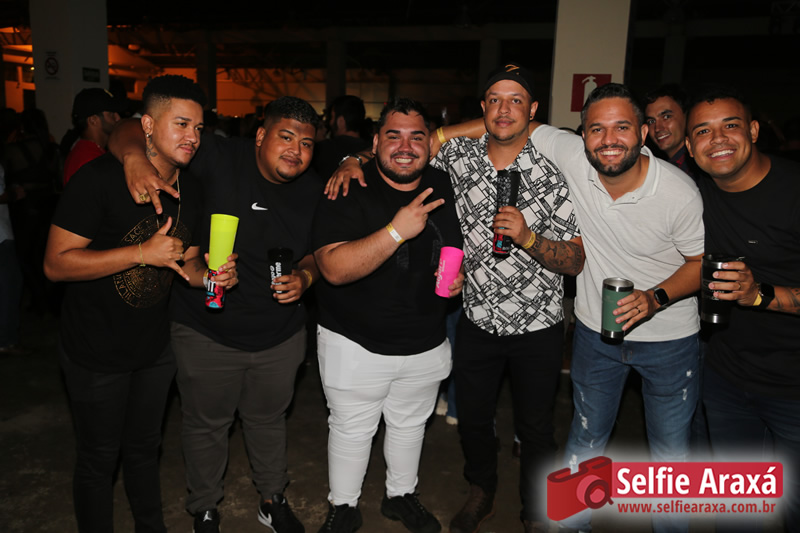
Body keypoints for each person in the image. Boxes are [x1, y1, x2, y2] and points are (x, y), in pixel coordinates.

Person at [331, 63, 584, 533]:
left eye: (516, 100)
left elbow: (575, 261)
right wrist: (352, 160)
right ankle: (480, 491)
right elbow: (403, 149)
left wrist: (529, 238)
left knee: (536, 429)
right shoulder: (457, 157)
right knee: (473, 420)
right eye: (495, 99)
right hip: (476, 318)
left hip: (539, 325)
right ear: (482, 107)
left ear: (533, 109)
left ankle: (535, 509)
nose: (504, 109)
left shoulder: (556, 169)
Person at [111, 96, 322, 533]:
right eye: (285, 137)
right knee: (206, 424)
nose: (295, 151)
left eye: (306, 143)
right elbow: (130, 129)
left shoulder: (314, 189)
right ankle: (204, 507)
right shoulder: (220, 156)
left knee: (269, 420)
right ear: (260, 135)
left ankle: (272, 498)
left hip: (280, 333)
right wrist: (134, 158)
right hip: (206, 326)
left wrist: (305, 276)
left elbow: (317, 254)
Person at [43, 75, 237, 533]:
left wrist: (210, 275)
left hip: (153, 349)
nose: (192, 136)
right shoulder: (99, 180)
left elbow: (187, 263)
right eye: (181, 124)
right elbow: (55, 264)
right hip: (94, 350)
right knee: (99, 459)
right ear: (147, 125)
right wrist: (138, 253)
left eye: (198, 127)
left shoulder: (193, 189)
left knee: (145, 451)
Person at [312, 98, 463, 533]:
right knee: (352, 429)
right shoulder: (348, 185)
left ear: (429, 145)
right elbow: (332, 268)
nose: (405, 146)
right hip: (354, 342)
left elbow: (454, 246)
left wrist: (460, 277)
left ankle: (400, 496)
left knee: (410, 426)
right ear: (375, 142)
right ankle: (343, 506)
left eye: (417, 137)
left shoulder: (442, 184)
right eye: (393, 136)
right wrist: (397, 231)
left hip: (425, 340)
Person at [685, 85, 800, 532]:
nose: (717, 139)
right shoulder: (695, 196)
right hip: (727, 379)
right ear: (690, 146)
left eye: (729, 126)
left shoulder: (793, 190)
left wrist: (761, 296)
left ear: (753, 130)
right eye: (703, 131)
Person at [63, 88, 126, 185]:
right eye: (111, 114)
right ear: (93, 120)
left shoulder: (90, 151)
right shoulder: (88, 159)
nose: (118, 118)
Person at [642, 84, 702, 180]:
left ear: (687, 116)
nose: (657, 128)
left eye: (666, 117)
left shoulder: (699, 167)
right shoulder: (660, 167)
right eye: (651, 121)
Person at [312, 95, 371, 180]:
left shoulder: (323, 150)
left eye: (332, 118)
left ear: (340, 121)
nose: (330, 123)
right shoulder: (371, 150)